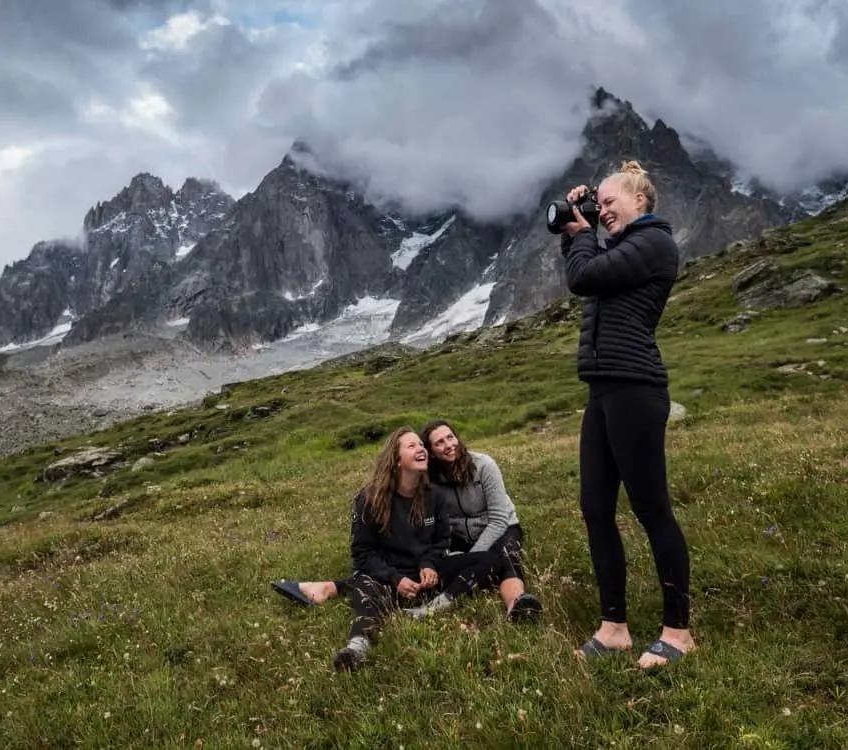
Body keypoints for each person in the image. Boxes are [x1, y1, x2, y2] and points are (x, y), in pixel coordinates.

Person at [559, 160, 695, 669]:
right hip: (603, 389)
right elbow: (589, 274)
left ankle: (677, 633)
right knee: (595, 507)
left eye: (609, 202)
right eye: (601, 204)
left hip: (636, 389)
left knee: (651, 508)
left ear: (640, 200)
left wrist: (579, 232)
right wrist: (582, 227)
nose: (604, 210)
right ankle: (614, 628)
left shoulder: (655, 243)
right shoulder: (620, 248)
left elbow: (584, 276)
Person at [271, 419, 542, 621]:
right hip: (457, 535)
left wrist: (472, 558)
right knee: (422, 566)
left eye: (451, 437)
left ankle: (517, 604)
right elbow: (430, 530)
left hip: (499, 528)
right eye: (438, 442)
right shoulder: (427, 476)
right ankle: (334, 587)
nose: (448, 445)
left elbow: (497, 518)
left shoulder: (484, 465)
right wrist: (450, 561)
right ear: (431, 451)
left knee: (504, 557)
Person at [330, 426, 522, 672]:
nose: (421, 448)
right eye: (412, 446)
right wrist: (395, 578)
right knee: (366, 585)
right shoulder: (370, 498)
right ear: (396, 460)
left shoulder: (433, 495)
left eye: (422, 445)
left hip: (425, 573)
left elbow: (441, 541)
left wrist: (429, 564)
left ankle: (433, 607)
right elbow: (362, 552)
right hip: (389, 574)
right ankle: (358, 646)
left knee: (494, 559)